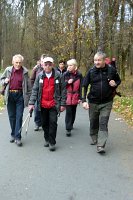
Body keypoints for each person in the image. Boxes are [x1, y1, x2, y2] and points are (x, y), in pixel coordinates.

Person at [82, 52, 121, 154]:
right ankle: (94, 135)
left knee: (103, 123)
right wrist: (83, 100)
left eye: (99, 60)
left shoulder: (111, 70)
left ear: (104, 60)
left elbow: (118, 80)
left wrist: (115, 83)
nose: (97, 62)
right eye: (95, 60)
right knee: (93, 120)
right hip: (93, 102)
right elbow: (84, 86)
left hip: (107, 102)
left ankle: (101, 145)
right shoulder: (91, 72)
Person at [28, 57, 66, 151]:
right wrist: (31, 103)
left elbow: (63, 91)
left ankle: (52, 142)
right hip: (43, 104)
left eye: (50, 64)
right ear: (42, 65)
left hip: (54, 104)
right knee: (44, 123)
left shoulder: (58, 75)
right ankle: (46, 138)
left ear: (53, 65)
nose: (48, 66)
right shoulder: (39, 76)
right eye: (46, 64)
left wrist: (62, 104)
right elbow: (35, 90)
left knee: (53, 122)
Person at [0, 54, 31, 146]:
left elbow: (29, 87)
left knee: (19, 116)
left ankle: (18, 137)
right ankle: (13, 134)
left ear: (22, 63)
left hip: (20, 96)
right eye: (16, 62)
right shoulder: (8, 70)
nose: (18, 64)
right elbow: (1, 79)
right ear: (13, 62)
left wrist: (29, 100)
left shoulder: (25, 72)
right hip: (10, 95)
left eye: (19, 62)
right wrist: (4, 81)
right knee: (12, 116)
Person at [63, 59, 83, 137]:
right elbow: (61, 85)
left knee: (73, 111)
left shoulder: (79, 75)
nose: (69, 67)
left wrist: (80, 98)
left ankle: (71, 124)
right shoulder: (65, 74)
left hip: (75, 96)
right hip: (67, 95)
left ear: (75, 66)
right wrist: (67, 82)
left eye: (71, 65)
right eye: (68, 65)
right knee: (68, 112)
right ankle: (68, 129)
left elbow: (81, 87)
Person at [30, 54, 46, 131]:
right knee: (36, 108)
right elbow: (31, 79)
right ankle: (37, 123)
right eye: (42, 61)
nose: (43, 63)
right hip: (37, 92)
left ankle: (44, 123)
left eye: (44, 61)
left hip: (46, 93)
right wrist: (34, 88)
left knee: (44, 109)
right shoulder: (36, 69)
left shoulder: (50, 68)